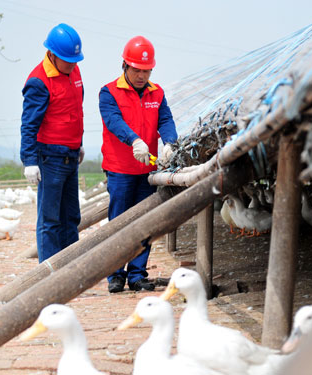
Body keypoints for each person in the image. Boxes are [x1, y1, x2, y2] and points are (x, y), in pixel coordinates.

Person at [99, 35, 178, 293]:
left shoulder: (157, 93)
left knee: (145, 222)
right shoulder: (109, 92)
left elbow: (165, 120)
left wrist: (169, 142)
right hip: (120, 170)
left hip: (146, 170)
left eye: (147, 70)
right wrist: (134, 140)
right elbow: (113, 122)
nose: (142, 76)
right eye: (137, 70)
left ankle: (137, 274)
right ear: (125, 65)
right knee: (119, 221)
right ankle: (115, 275)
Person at [20, 23, 85, 263]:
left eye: (75, 60)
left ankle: (71, 269)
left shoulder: (74, 71)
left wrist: (77, 143)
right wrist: (29, 160)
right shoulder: (38, 82)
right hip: (50, 159)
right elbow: (29, 124)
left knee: (71, 218)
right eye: (67, 60)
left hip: (70, 156)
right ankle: (49, 274)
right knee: (50, 221)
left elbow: (74, 109)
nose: (72, 65)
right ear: (52, 54)